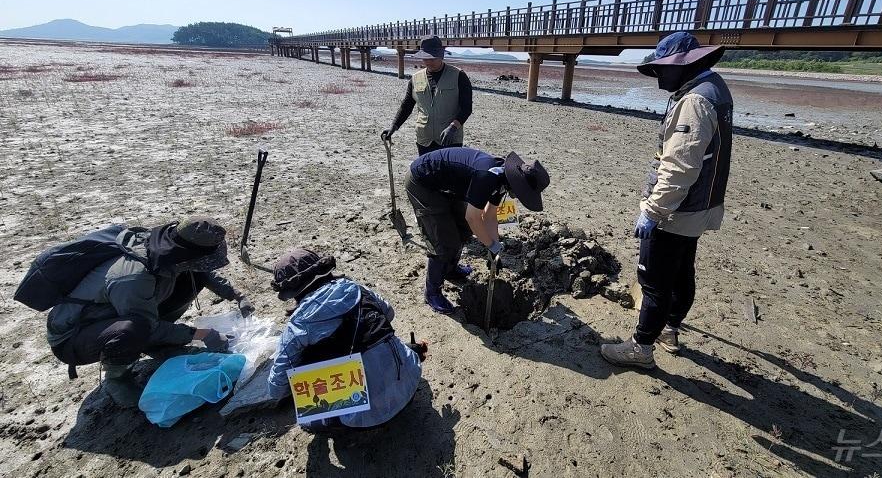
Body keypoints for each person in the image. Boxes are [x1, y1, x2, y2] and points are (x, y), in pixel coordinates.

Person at [601, 31, 733, 370]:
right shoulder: (715, 88)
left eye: (663, 68)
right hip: (700, 205)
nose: (659, 75)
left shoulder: (694, 102)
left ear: (685, 65)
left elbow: (679, 167)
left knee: (655, 281)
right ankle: (669, 329)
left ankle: (641, 348)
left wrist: (653, 211)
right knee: (682, 269)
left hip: (677, 209)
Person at [46, 216, 253, 407]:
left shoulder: (170, 250)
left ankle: (159, 346)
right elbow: (146, 326)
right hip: (74, 337)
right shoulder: (133, 277)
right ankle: (117, 379)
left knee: (191, 279)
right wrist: (203, 334)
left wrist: (237, 295)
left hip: (124, 313)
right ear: (186, 253)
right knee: (133, 329)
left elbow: (201, 271)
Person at [266, 248, 425, 429]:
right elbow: (389, 314)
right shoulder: (358, 289)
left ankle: (334, 419)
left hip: (363, 419)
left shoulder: (297, 326)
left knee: (307, 417)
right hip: (410, 384)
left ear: (291, 292)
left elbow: (276, 389)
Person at [404, 147, 550, 314]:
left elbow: (489, 215)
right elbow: (473, 218)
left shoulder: (502, 179)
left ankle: (450, 269)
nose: (519, 197)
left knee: (463, 228)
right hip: (422, 183)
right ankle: (432, 293)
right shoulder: (488, 177)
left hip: (445, 186)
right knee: (444, 241)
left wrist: (495, 249)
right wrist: (490, 244)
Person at [381, 35, 473, 155]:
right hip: (424, 140)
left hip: (450, 140)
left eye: (432, 58)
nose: (428, 62)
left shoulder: (459, 76)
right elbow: (407, 106)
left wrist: (453, 127)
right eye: (425, 58)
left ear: (441, 55)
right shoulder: (415, 78)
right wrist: (394, 126)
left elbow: (467, 108)